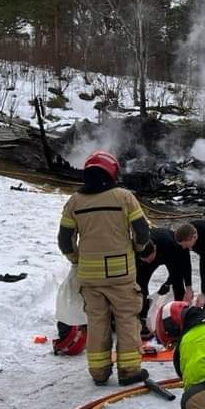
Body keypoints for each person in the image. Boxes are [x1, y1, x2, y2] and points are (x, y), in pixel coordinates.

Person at [57, 150, 152, 386]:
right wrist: (139, 248)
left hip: (90, 276)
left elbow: (64, 239)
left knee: (97, 322)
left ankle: (98, 372)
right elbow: (142, 231)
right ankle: (129, 371)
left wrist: (76, 259)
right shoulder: (124, 197)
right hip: (121, 274)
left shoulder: (74, 202)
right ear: (112, 172)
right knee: (127, 319)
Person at [135, 226, 192, 336]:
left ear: (155, 250)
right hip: (150, 253)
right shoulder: (138, 248)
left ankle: (180, 319)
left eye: (149, 259)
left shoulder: (170, 245)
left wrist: (167, 284)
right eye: (145, 260)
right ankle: (143, 319)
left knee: (177, 284)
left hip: (170, 252)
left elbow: (180, 269)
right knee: (141, 284)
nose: (147, 262)